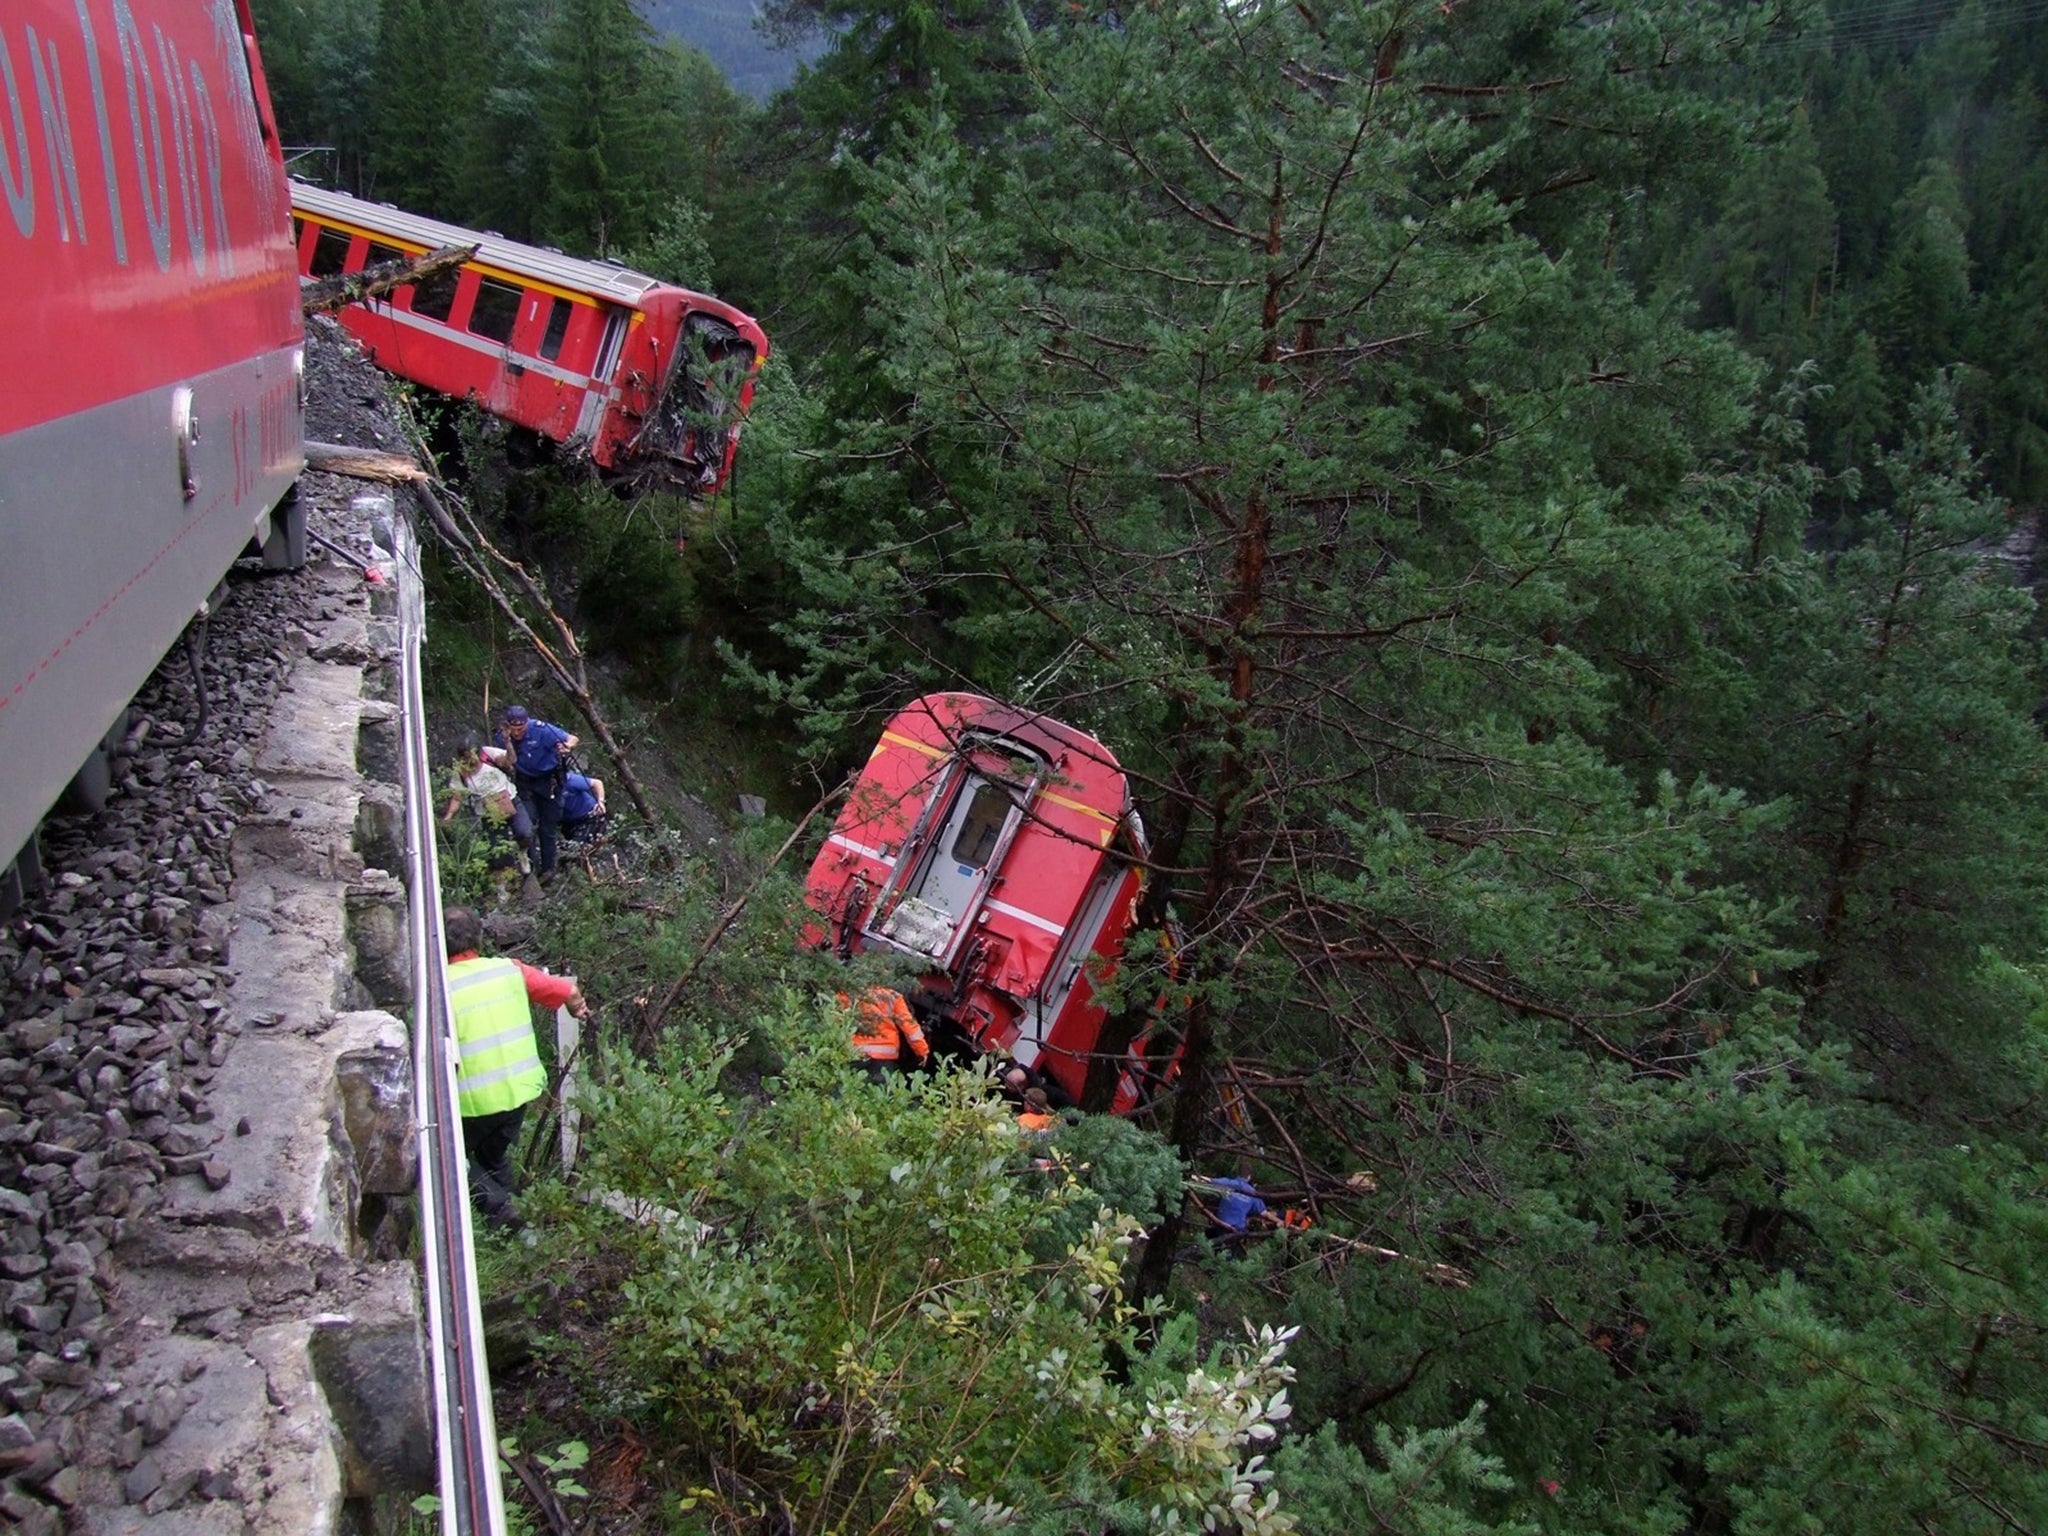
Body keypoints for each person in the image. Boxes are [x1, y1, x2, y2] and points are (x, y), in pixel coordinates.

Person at [443, 905, 589, 1228]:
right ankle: (519, 1227)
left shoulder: (440, 988)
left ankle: (499, 1211)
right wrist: (579, 1010)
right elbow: (568, 990)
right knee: (493, 1158)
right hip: (519, 1094)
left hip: (472, 1102)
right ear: (479, 939)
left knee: (450, 1161)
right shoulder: (509, 970)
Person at [496, 705, 578, 880]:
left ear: (527, 723)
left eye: (521, 729)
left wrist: (567, 746)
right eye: (513, 729)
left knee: (547, 827)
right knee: (527, 825)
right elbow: (503, 759)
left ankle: (548, 868)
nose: (517, 733)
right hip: (525, 783)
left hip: (549, 782)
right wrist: (508, 740)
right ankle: (531, 868)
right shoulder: (502, 737)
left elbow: (572, 738)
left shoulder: (542, 730)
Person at [441, 737, 534, 874]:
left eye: (473, 756)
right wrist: (449, 816)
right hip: (487, 813)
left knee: (525, 832)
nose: (471, 761)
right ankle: (502, 888)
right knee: (498, 855)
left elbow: (509, 760)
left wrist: (508, 743)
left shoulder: (488, 755)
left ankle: (522, 854)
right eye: (466, 757)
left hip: (509, 799)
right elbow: (457, 797)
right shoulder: (461, 772)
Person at [841, 984, 929, 1082]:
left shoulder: (848, 994)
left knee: (848, 1091)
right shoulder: (893, 996)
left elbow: (835, 1020)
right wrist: (922, 1051)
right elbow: (909, 1027)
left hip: (855, 1054)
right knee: (879, 1094)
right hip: (883, 1058)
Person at [559, 769, 607, 837]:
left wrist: (600, 802)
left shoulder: (569, 780)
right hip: (569, 823)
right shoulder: (542, 789)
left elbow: (597, 783)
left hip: (589, 814)